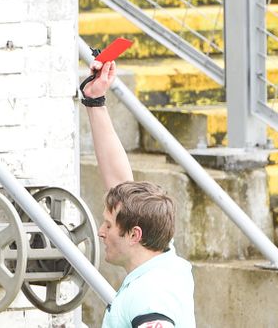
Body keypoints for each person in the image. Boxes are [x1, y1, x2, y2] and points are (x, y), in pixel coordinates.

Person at [82, 60, 196, 328]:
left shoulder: (150, 297)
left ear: (135, 235)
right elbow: (120, 186)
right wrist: (95, 100)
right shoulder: (163, 258)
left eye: (108, 225)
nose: (100, 232)